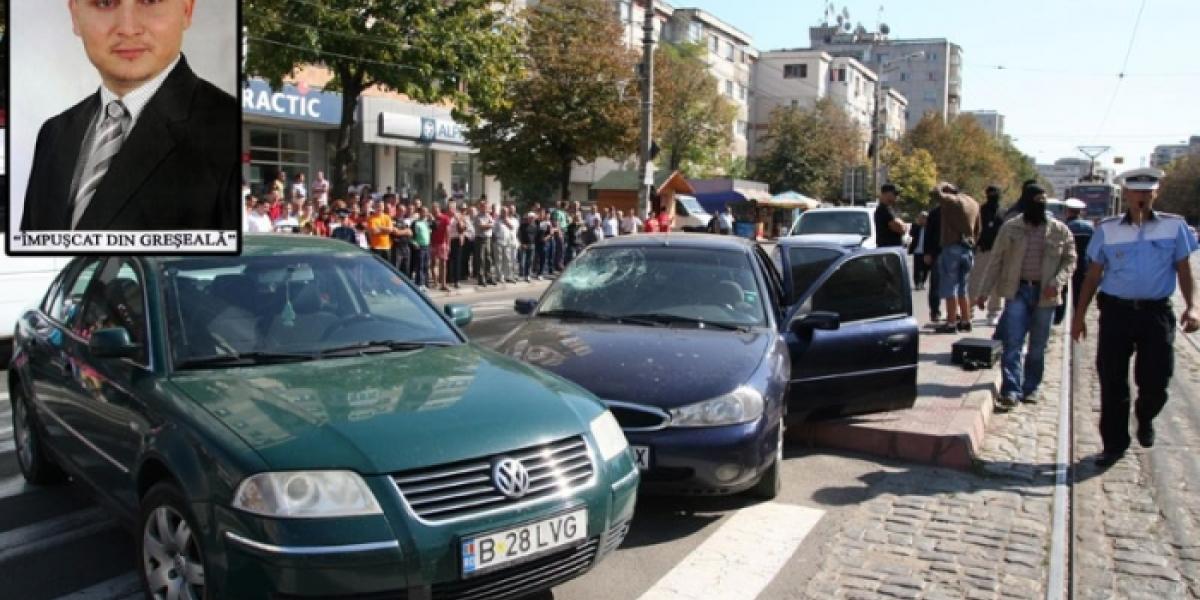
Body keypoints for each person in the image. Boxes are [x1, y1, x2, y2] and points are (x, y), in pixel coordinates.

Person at [21, 0, 238, 231]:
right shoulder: (53, 134)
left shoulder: (228, 130)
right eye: (104, 2)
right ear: (75, 15)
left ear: (187, 9)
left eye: (150, 1)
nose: (128, 28)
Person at [1071, 167, 1199, 468]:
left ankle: (1145, 415)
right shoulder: (1108, 229)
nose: (1142, 196)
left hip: (1156, 313)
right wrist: (1079, 316)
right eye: (1137, 191)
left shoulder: (1174, 227)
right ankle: (1114, 445)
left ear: (1156, 193)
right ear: (1126, 194)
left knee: (1157, 379)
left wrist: (1193, 306)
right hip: (1116, 313)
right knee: (1112, 380)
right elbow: (1093, 276)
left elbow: (1184, 269)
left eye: (1148, 192)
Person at [975, 187, 1076, 410]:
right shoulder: (1011, 228)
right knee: (1013, 343)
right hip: (1017, 291)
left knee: (1038, 345)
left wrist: (1057, 282)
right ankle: (1011, 390)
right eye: (1035, 201)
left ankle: (1031, 387)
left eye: (1042, 201)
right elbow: (996, 260)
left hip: (1046, 295)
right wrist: (984, 292)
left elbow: (1070, 260)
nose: (1039, 205)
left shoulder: (1059, 230)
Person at [933, 182, 982, 333]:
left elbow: (935, 193)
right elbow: (978, 229)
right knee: (963, 287)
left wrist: (942, 185)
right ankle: (966, 321)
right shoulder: (974, 203)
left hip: (952, 247)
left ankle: (951, 322)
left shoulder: (951, 200)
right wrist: (972, 243)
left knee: (950, 287)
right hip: (967, 248)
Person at [970, 185, 1008, 326]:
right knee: (975, 281)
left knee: (996, 284)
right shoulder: (980, 211)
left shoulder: (1004, 212)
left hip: (999, 252)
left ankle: (993, 312)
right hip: (982, 250)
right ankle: (969, 310)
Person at [1054, 198, 1094, 325]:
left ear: (1067, 211)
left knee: (1062, 291)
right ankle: (1078, 318)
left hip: (1065, 264)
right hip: (1083, 264)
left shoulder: (1064, 227)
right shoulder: (1089, 228)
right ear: (1080, 212)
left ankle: (1058, 318)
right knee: (1079, 293)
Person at [473, 204, 497, 286]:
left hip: (488, 239)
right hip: (480, 239)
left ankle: (489, 277)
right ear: (480, 208)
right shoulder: (477, 217)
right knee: (481, 259)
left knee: (488, 258)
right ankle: (481, 278)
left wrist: (488, 225)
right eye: (483, 207)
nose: (485, 209)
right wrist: (488, 225)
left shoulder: (489, 216)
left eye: (486, 207)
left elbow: (492, 224)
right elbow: (481, 227)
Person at [431, 204, 452, 291]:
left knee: (443, 264)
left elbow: (448, 232)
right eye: (433, 209)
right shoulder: (431, 219)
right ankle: (436, 282)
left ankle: (443, 284)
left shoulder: (445, 218)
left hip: (442, 243)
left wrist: (448, 244)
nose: (434, 210)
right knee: (433, 263)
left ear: (439, 209)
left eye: (436, 208)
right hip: (433, 243)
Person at [411, 207, 432, 290]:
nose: (425, 213)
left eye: (426, 212)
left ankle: (425, 283)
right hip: (420, 247)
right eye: (423, 212)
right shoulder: (415, 223)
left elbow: (435, 227)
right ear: (419, 213)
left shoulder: (427, 222)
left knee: (426, 266)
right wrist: (414, 242)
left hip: (427, 246)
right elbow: (411, 235)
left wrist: (431, 218)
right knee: (420, 265)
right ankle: (419, 284)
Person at [909, 212, 928, 289]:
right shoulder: (915, 226)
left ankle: (922, 283)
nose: (922, 219)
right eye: (921, 218)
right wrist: (917, 224)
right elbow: (911, 233)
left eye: (924, 218)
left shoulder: (929, 226)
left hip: (926, 251)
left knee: (925, 268)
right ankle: (917, 283)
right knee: (917, 268)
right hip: (917, 251)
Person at [518, 212, 537, 282]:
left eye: (532, 218)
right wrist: (521, 243)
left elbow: (535, 236)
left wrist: (533, 244)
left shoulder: (535, 226)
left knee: (530, 261)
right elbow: (519, 235)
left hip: (531, 245)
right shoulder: (523, 225)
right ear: (528, 218)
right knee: (522, 261)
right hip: (524, 245)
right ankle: (521, 274)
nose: (531, 219)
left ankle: (527, 275)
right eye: (530, 218)